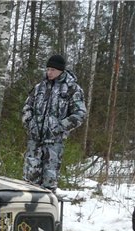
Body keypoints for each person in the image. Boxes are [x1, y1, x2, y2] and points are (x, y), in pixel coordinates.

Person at [22, 54, 87, 191]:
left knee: (48, 182)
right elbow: (27, 107)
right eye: (48, 69)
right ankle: (28, 210)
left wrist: (59, 127)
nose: (49, 72)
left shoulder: (72, 89)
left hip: (54, 143)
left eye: (53, 69)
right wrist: (29, 123)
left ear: (61, 70)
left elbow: (80, 114)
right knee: (29, 181)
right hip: (34, 141)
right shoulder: (39, 87)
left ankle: (45, 210)